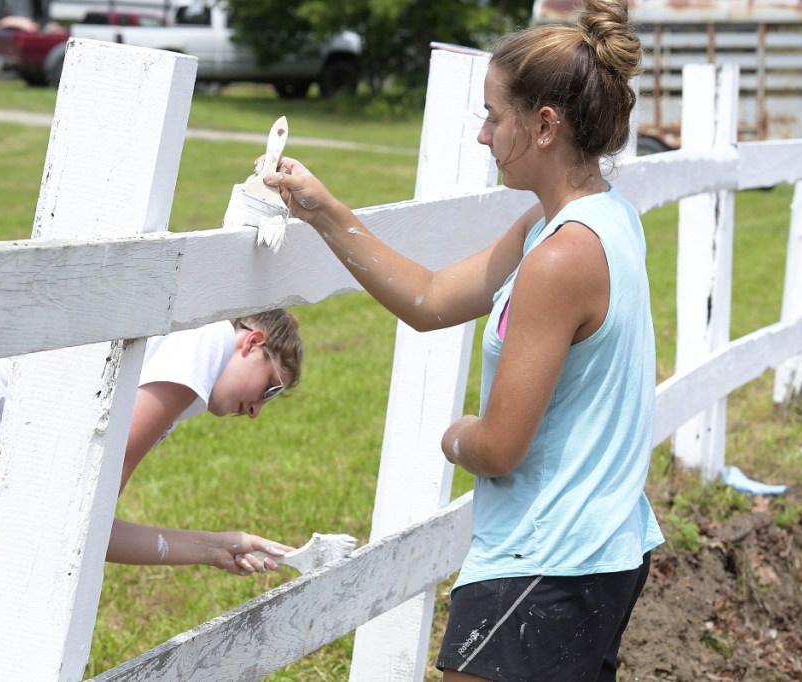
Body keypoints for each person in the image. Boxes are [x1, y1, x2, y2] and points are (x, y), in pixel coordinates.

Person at [264, 1, 663, 679]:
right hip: (600, 551)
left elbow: (500, 446)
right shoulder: (586, 220)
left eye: (493, 116)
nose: (483, 135)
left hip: (543, 564)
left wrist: (454, 436)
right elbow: (432, 298)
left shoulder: (560, 259)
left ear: (543, 125)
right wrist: (325, 213)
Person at [0, 309, 302, 681]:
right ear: (252, 341)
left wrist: (215, 547)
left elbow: (82, 519)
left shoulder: (164, 352)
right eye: (270, 387)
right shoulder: (207, 345)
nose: (256, 411)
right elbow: (88, 513)